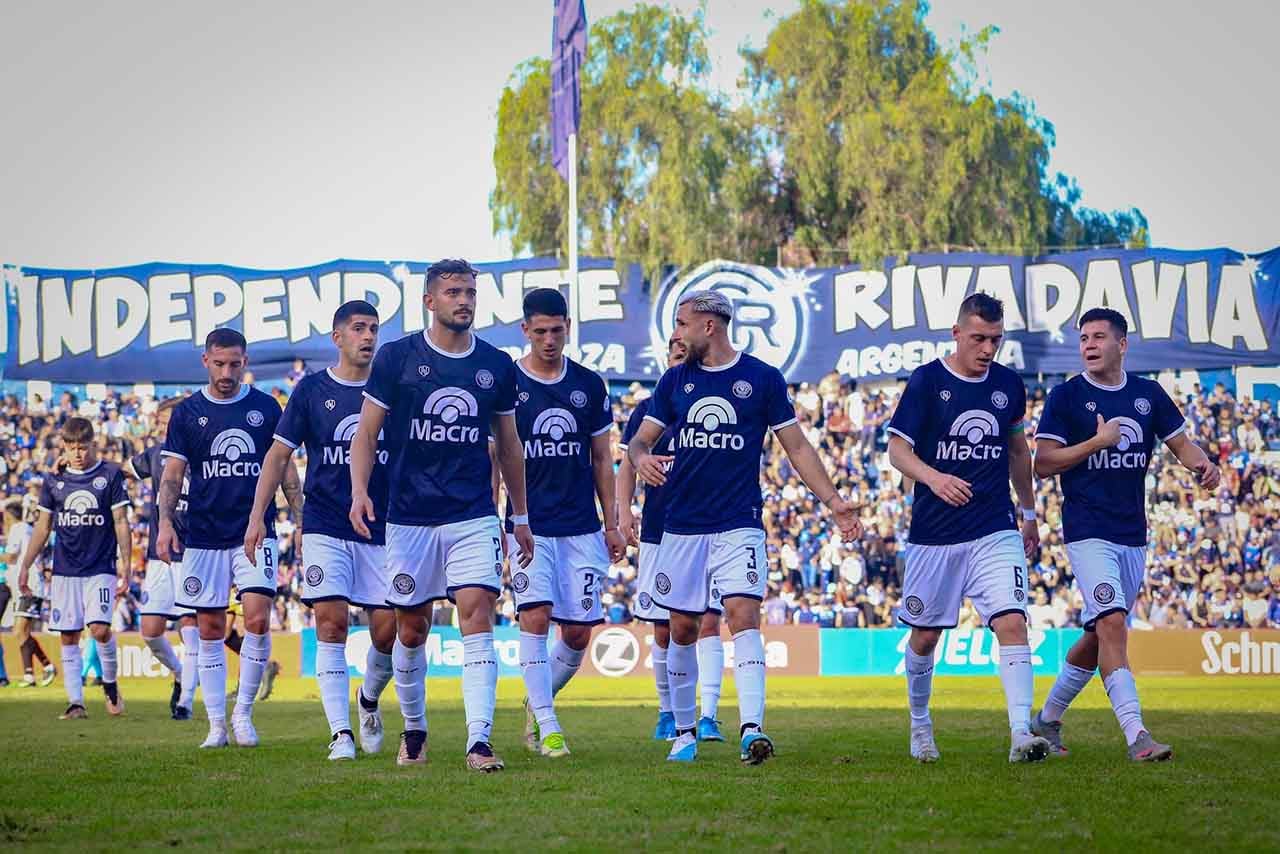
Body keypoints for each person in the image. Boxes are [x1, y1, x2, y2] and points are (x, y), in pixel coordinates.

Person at [625, 290, 861, 764]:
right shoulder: (674, 382)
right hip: (681, 527)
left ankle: (752, 729)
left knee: (742, 617)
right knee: (683, 627)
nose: (676, 333)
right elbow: (638, 442)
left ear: (709, 326)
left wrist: (834, 501)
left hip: (739, 523)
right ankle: (685, 733)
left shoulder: (761, 379)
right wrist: (642, 458)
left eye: (682, 323)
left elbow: (796, 447)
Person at [349, 258, 535, 771]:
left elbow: (509, 445)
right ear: (430, 301)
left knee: (477, 613)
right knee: (411, 629)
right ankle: (414, 731)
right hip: (407, 517)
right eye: (453, 292)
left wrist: (519, 516)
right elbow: (366, 433)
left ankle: (479, 741)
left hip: (472, 514)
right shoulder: (396, 359)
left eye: (471, 292)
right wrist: (359, 490)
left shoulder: (496, 365)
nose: (465, 300)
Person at [1031, 307, 1219, 762]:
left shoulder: (1148, 395)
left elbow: (1180, 443)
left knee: (1100, 636)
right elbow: (1043, 462)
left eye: (1098, 337)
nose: (1089, 345)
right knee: (1113, 624)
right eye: (1083, 339)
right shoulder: (1066, 397)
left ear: (1122, 344)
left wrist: (1201, 463)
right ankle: (1138, 736)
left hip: (1132, 534)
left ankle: (1047, 720)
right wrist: (1096, 443)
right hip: (1086, 529)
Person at [886, 293, 1048, 763]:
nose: (987, 349)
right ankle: (920, 725)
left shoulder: (1008, 386)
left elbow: (1019, 452)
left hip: (994, 527)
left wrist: (1031, 512)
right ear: (956, 333)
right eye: (978, 338)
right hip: (935, 534)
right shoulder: (927, 381)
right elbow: (898, 451)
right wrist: (934, 478)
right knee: (924, 637)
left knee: (1013, 622)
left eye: (995, 340)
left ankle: (1022, 734)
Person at [245, 300, 397, 761]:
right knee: (329, 624)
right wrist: (257, 517)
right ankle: (340, 734)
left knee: (389, 633)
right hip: (327, 522)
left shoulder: (393, 388)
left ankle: (368, 699)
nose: (368, 336)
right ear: (338, 337)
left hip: (386, 525)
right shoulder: (311, 391)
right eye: (358, 328)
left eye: (373, 328)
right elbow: (277, 456)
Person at [494, 288, 625, 758]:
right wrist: (495, 522)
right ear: (525, 330)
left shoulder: (589, 385)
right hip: (527, 525)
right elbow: (495, 457)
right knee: (534, 616)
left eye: (557, 329)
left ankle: (537, 700)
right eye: (541, 331)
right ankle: (548, 727)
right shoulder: (506, 382)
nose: (550, 339)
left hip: (582, 528)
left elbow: (601, 457)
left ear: (568, 327)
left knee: (576, 634)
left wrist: (612, 523)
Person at [157, 327, 296, 749]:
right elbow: (172, 476)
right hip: (202, 535)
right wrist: (164, 523)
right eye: (219, 363)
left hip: (255, 531)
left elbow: (285, 468)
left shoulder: (265, 407)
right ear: (206, 361)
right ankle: (215, 724)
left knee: (256, 618)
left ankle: (243, 714)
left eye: (235, 363)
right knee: (210, 627)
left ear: (245, 361)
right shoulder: (186, 414)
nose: (227, 372)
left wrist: (303, 518)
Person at [618, 336, 729, 743]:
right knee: (664, 627)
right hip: (659, 528)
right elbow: (628, 463)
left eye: (686, 352)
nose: (680, 358)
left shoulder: (714, 403)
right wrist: (622, 510)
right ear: (666, 359)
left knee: (710, 622)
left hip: (711, 525)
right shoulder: (648, 412)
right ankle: (668, 713)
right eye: (675, 353)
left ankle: (710, 716)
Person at [18, 417, 131, 719]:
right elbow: (43, 527)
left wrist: (127, 563)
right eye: (72, 448)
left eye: (83, 447)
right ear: (63, 447)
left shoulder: (109, 475)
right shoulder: (53, 481)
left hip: (101, 567)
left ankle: (109, 682)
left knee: (99, 629)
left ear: (93, 444)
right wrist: (25, 565)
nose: (78, 453)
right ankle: (75, 702)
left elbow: (121, 522)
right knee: (68, 636)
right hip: (65, 570)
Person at [125, 397, 198, 720]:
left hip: (196, 553)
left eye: (167, 418)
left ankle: (186, 700)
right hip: (160, 556)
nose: (161, 425)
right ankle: (180, 673)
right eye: (159, 419)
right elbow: (121, 472)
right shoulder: (154, 456)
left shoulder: (204, 452)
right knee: (150, 630)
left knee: (191, 627)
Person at [6, 503, 57, 688]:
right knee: (21, 631)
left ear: (9, 516)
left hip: (28, 586)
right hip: (26, 586)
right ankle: (36, 671)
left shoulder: (17, 529)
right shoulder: (27, 530)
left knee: (20, 631)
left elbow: (11, 557)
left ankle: (40, 669)